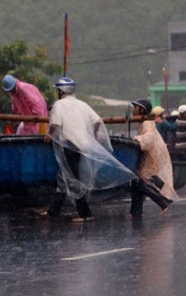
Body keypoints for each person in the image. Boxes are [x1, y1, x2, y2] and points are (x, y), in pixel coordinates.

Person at [43, 77, 135, 222]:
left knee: (72, 178)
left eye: (57, 90)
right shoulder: (83, 104)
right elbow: (98, 121)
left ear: (61, 91)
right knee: (64, 176)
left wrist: (49, 135)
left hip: (70, 145)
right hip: (84, 145)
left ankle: (85, 214)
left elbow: (55, 124)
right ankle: (53, 211)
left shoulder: (59, 105)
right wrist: (96, 134)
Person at [130, 99, 178, 218]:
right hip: (150, 154)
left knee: (140, 182)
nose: (133, 109)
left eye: (135, 107)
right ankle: (135, 211)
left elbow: (149, 138)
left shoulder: (147, 122)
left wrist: (136, 140)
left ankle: (163, 202)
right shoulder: (143, 121)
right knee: (136, 182)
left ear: (141, 109)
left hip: (152, 154)